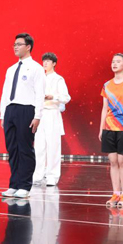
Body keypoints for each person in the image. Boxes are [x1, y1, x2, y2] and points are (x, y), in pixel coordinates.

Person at [0, 33, 46, 199]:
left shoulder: (36, 68)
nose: (15, 47)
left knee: (25, 148)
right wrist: (3, 114)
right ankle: (14, 184)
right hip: (10, 110)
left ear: (28, 47)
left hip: (26, 110)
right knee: (12, 149)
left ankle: (25, 186)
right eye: (14, 44)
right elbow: (5, 92)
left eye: (19, 44)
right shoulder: (11, 69)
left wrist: (37, 116)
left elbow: (40, 93)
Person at [98, 53, 123, 208]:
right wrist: (102, 128)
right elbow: (104, 108)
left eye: (118, 61)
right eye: (113, 61)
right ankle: (115, 193)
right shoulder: (107, 85)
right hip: (109, 127)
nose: (114, 64)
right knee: (113, 161)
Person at [33, 53, 71, 186]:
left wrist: (53, 96)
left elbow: (66, 97)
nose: (45, 63)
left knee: (53, 146)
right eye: (44, 61)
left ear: (54, 63)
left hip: (52, 113)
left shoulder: (58, 79)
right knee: (39, 146)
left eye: (48, 61)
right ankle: (38, 174)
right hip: (40, 114)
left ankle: (52, 176)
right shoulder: (39, 78)